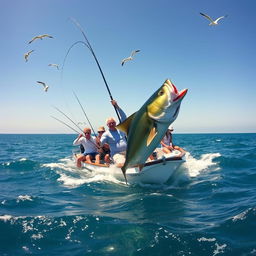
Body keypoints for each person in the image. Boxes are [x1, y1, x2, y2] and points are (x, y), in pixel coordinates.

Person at [100, 100, 127, 167]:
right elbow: (101, 143)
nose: (111, 124)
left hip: (128, 151)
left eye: (113, 123)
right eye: (109, 123)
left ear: (115, 123)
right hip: (117, 154)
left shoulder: (119, 127)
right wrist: (101, 144)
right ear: (107, 125)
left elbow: (124, 116)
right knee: (121, 163)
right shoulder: (106, 134)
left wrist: (116, 106)